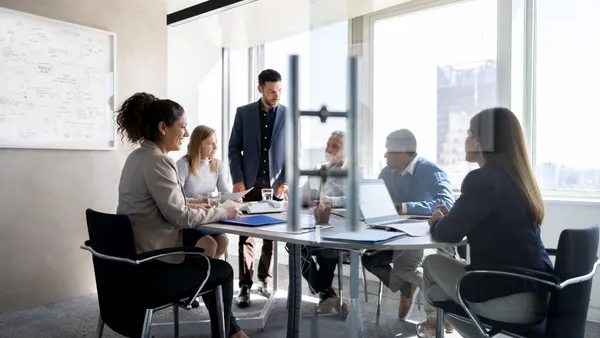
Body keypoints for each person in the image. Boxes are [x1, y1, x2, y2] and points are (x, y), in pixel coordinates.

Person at [115, 92, 248, 338]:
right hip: (154, 261)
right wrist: (223, 211)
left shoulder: (138, 157)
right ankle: (231, 333)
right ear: (163, 127)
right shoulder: (158, 161)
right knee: (222, 270)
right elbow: (179, 219)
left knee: (211, 254)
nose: (186, 134)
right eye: (183, 126)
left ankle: (232, 331)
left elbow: (161, 203)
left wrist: (193, 204)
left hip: (133, 256)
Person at [417, 107, 553, 338]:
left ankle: (434, 326)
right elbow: (489, 221)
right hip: (539, 293)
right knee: (438, 290)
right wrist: (455, 216)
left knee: (431, 266)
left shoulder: (482, 179)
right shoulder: (520, 180)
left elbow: (447, 234)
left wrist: (437, 221)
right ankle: (434, 325)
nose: (466, 139)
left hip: (508, 297)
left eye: (469, 134)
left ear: (482, 142)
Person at [361, 129, 455, 326]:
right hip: (396, 236)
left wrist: (403, 207)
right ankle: (406, 287)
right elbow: (375, 199)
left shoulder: (430, 170)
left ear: (402, 151)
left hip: (424, 238)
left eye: (388, 151)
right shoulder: (387, 172)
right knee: (369, 259)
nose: (385, 156)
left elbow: (446, 203)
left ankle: (447, 309)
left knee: (404, 266)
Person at [288, 131, 364, 319]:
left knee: (328, 249)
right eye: (328, 144)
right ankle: (328, 293)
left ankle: (327, 295)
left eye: (335, 146)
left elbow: (355, 200)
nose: (328, 149)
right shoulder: (320, 168)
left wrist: (329, 200)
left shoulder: (355, 170)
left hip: (340, 230)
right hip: (315, 225)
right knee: (293, 245)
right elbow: (304, 193)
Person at [228, 69, 287, 307]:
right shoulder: (243, 113)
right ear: (260, 88)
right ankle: (244, 284)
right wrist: (237, 179)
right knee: (246, 235)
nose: (276, 95)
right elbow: (233, 148)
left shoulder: (288, 115)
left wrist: (286, 181)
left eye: (279, 90)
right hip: (249, 184)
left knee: (271, 237)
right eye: (272, 91)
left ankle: (265, 279)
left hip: (275, 186)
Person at [176, 125, 232, 259]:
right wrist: (198, 202)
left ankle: (212, 277)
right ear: (198, 143)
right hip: (191, 220)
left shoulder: (218, 165)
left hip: (209, 218)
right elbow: (176, 198)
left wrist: (235, 199)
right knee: (209, 244)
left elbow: (224, 193)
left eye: (216, 143)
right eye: (210, 143)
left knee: (223, 241)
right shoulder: (183, 164)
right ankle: (202, 277)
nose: (216, 147)